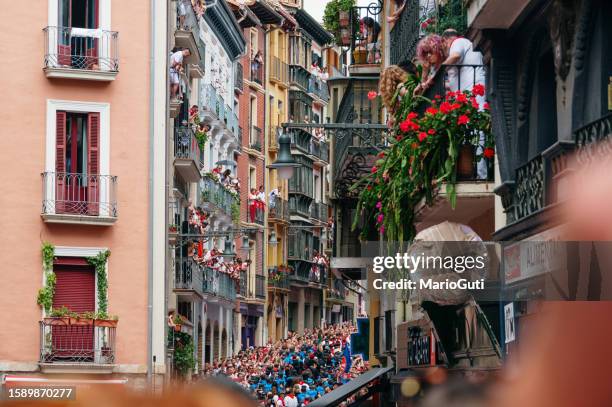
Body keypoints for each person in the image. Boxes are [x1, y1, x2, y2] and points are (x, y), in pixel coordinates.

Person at [441, 28, 486, 93]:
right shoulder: (464, 43)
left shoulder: (458, 41)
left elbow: (455, 56)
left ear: (444, 40)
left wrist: (441, 71)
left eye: (443, 46)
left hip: (472, 89)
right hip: (470, 89)